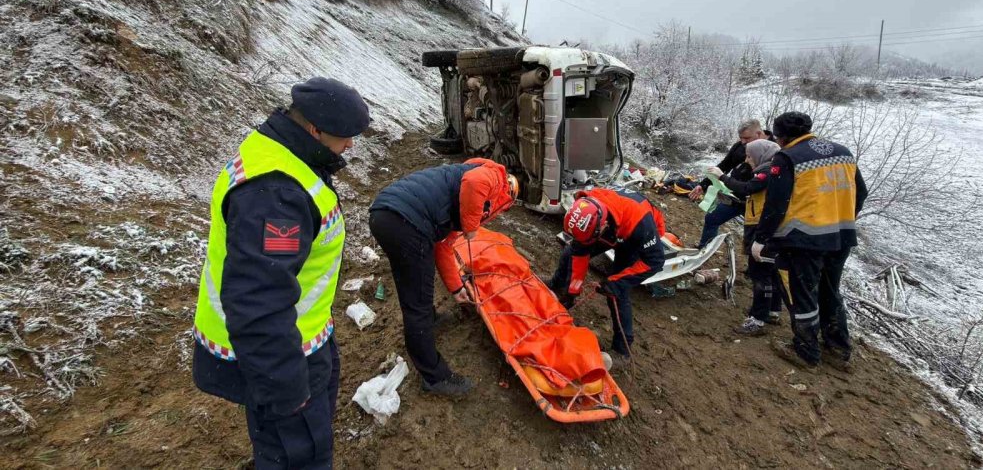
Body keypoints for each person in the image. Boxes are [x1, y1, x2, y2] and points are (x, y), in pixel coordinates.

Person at [192, 77, 369, 469]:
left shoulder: (281, 152)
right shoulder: (278, 194)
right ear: (315, 130)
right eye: (345, 136)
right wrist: (287, 387)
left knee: (293, 446)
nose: (350, 145)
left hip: (299, 339)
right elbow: (259, 301)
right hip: (280, 356)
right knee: (299, 456)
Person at [368, 159, 518, 397]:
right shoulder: (494, 177)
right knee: (417, 302)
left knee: (416, 282)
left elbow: (443, 247)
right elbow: (475, 182)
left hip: (389, 214)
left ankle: (431, 320)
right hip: (405, 221)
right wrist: (471, 227)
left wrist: (457, 288)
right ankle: (434, 377)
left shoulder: (457, 189)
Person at [753, 111, 868, 371]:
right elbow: (861, 193)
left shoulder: (787, 157)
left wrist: (761, 238)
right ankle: (838, 348)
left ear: (781, 137)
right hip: (841, 236)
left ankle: (806, 351)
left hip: (804, 240)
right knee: (830, 291)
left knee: (802, 294)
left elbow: (776, 203)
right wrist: (843, 218)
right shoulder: (843, 152)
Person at [548, 188, 666, 359]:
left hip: (633, 235)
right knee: (570, 253)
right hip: (612, 225)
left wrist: (617, 282)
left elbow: (655, 261)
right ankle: (557, 287)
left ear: (603, 226)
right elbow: (579, 254)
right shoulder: (589, 206)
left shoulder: (641, 225)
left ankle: (622, 350)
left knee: (616, 293)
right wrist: (572, 292)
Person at [710, 138, 784, 336]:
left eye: (750, 156)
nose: (747, 160)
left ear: (760, 155)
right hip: (771, 227)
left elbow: (747, 188)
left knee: (760, 273)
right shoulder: (776, 170)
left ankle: (757, 319)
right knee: (771, 271)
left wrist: (722, 177)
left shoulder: (767, 171)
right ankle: (773, 311)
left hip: (762, 227)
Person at [689, 119, 772, 248]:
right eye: (741, 138)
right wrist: (703, 184)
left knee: (754, 238)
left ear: (759, 133)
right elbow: (724, 165)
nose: (743, 142)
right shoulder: (740, 146)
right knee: (712, 219)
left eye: (746, 138)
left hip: (758, 202)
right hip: (736, 196)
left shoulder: (775, 150)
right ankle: (705, 249)